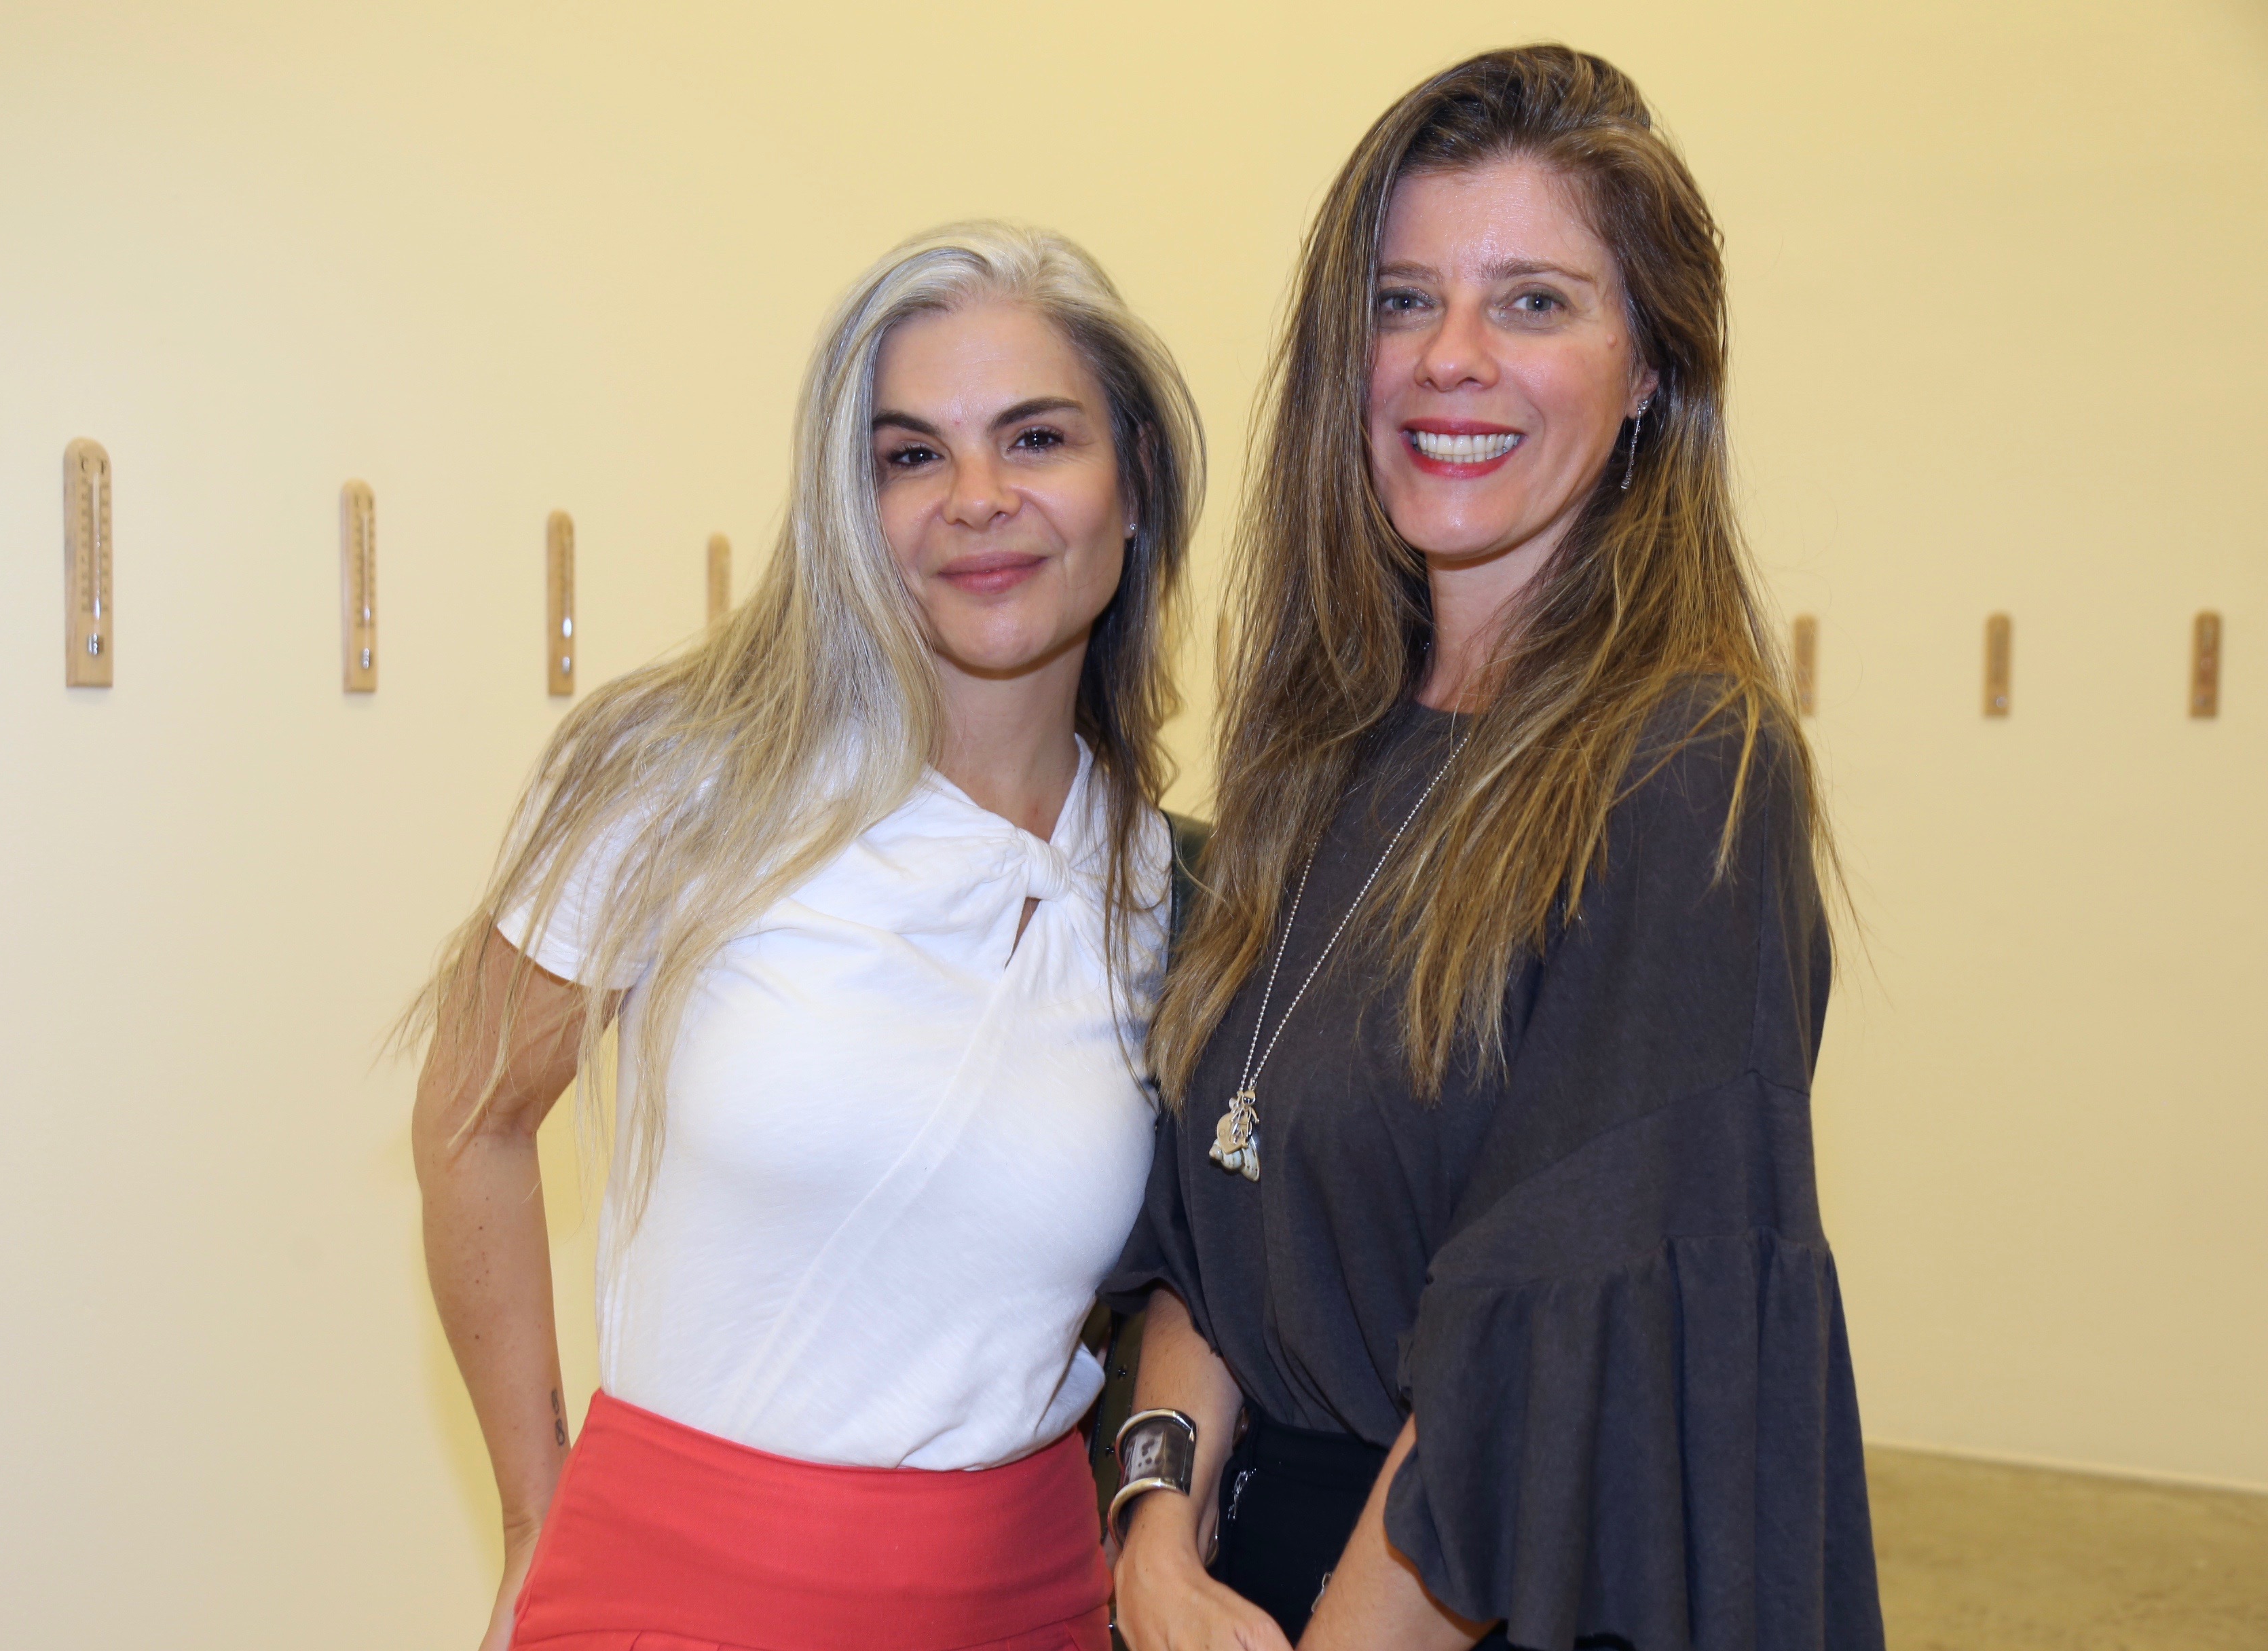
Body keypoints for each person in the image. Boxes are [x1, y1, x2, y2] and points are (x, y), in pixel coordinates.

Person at [1104, 47, 1884, 1651]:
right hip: (1235, 1576)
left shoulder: (1687, 773)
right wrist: (1154, 1538)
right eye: (1404, 301)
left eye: (1534, 301)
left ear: (1651, 365)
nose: (1451, 358)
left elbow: (1537, 1375)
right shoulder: (1318, 747)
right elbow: (1206, 1224)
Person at [409, 221, 1204, 1651]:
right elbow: (472, 1116)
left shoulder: (1172, 887)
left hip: (1028, 1604)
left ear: (1134, 480)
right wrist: (536, 1510)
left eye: (1036, 438)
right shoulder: (681, 776)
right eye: (911, 455)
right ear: (852, 502)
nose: (977, 499)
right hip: (677, 1591)